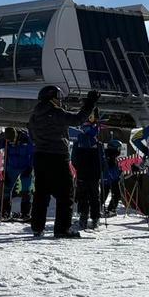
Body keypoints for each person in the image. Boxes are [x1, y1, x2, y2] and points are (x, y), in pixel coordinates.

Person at [27, 85, 100, 238]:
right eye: (58, 99)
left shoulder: (34, 115)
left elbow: (32, 135)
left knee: (41, 193)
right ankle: (62, 229)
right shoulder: (55, 113)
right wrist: (90, 103)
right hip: (57, 156)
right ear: (53, 99)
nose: (60, 102)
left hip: (40, 156)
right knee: (66, 194)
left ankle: (37, 227)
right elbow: (78, 119)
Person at [71, 114, 104, 230]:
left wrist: (78, 168)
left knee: (83, 196)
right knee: (95, 196)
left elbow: (73, 159)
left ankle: (83, 218)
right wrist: (101, 171)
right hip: (94, 174)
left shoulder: (77, 142)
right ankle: (95, 218)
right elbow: (102, 160)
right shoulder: (98, 144)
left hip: (82, 173)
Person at [1, 129, 34, 220]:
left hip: (25, 167)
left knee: (26, 189)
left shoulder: (26, 139)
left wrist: (30, 167)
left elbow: (33, 153)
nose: (11, 142)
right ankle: (5, 212)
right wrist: (5, 170)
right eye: (9, 141)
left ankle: (25, 213)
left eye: (12, 140)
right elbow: (5, 155)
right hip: (12, 167)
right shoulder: (6, 141)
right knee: (6, 189)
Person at [100, 138, 125, 217]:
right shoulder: (110, 156)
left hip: (108, 179)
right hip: (110, 179)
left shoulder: (108, 154)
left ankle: (100, 208)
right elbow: (111, 169)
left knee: (104, 195)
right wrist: (119, 173)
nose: (120, 150)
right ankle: (110, 209)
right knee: (115, 194)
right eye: (119, 148)